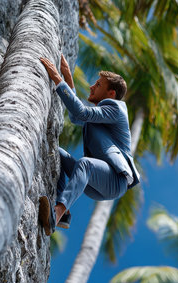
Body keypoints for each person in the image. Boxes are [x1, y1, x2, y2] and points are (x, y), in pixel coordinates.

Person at [38, 54, 140, 236]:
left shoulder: (116, 108)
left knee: (85, 164)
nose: (92, 87)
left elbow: (82, 112)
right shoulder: (102, 115)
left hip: (116, 179)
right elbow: (77, 116)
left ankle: (56, 214)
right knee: (59, 154)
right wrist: (68, 76)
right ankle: (64, 214)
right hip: (97, 183)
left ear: (111, 94)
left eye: (98, 85)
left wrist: (57, 78)